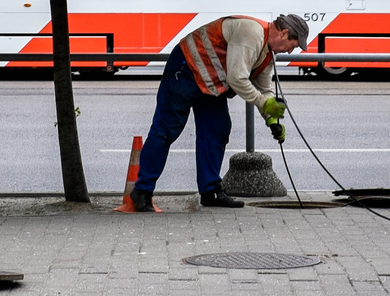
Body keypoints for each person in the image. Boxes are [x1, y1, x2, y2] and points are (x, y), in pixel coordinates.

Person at [130, 13, 309, 211]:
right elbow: (237, 79)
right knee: (166, 130)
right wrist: (265, 104)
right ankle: (142, 191)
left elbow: (265, 90)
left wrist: (272, 119)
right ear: (284, 33)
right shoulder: (252, 33)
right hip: (186, 68)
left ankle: (210, 192)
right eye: (293, 45)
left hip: (211, 82)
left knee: (217, 129)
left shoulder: (268, 53)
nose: (291, 50)